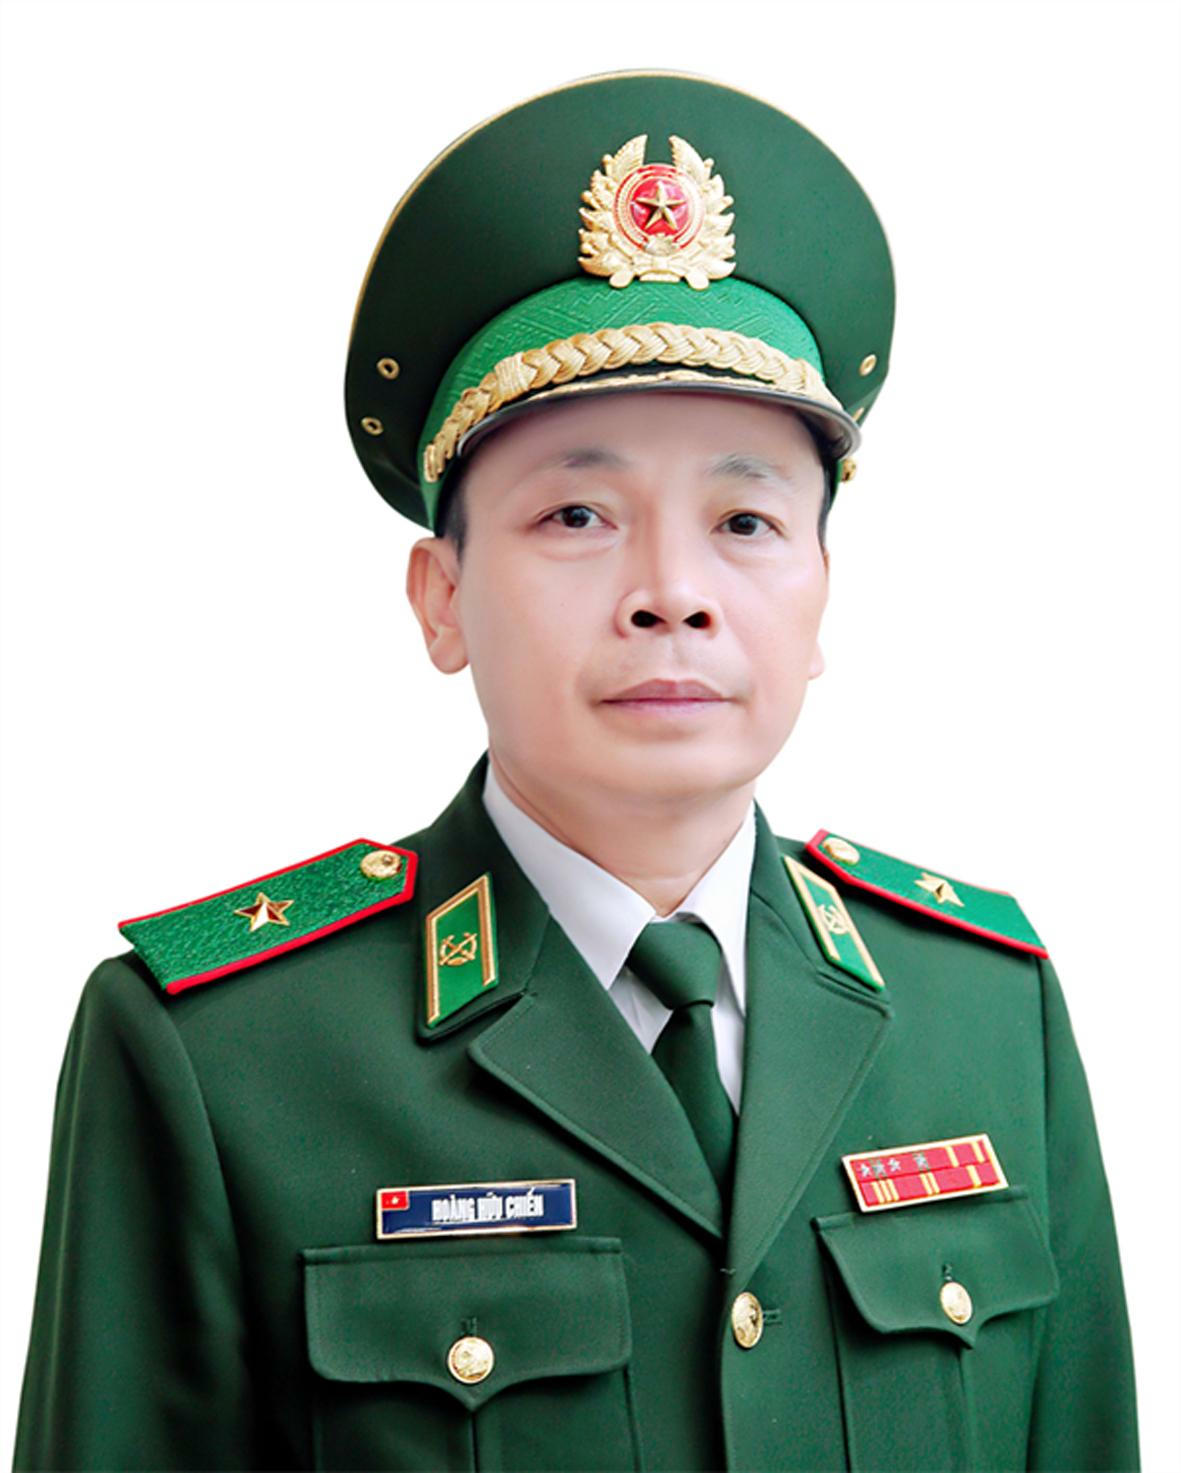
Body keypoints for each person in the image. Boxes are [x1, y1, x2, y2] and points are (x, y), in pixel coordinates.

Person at [13, 71, 1137, 1472]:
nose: (674, 592)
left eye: (744, 520)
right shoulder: (219, 1054)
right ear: (440, 599)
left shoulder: (986, 1012)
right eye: (577, 514)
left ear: (820, 595)